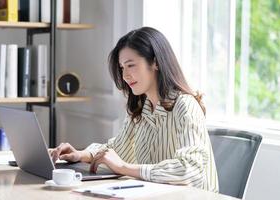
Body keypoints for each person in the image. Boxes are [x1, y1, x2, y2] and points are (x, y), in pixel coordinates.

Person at [50, 27, 219, 192]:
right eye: (122, 68)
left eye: (131, 65)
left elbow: (189, 170)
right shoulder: (140, 109)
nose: (125, 76)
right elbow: (117, 148)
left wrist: (124, 168)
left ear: (156, 63)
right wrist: (81, 155)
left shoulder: (185, 106)